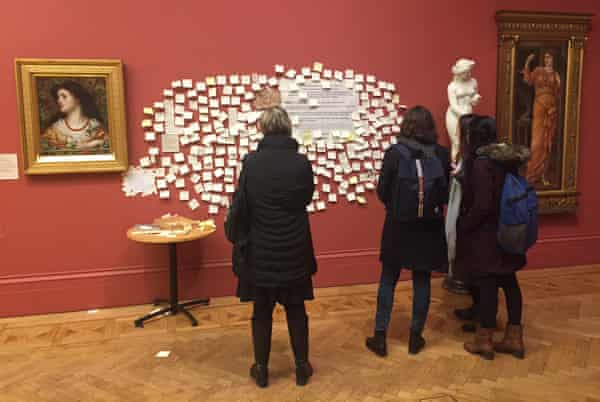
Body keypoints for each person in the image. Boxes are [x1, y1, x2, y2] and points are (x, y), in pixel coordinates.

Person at [231, 106, 317, 388]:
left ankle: (262, 369)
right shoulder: (301, 163)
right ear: (288, 127)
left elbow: (243, 204)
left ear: (263, 129)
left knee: (262, 311)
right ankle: (302, 366)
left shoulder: (252, 163)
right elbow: (306, 198)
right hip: (294, 247)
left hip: (261, 250)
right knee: (296, 309)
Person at [366, 105, 451, 356]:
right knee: (421, 280)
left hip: (398, 224)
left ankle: (380, 337)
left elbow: (382, 191)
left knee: (388, 279)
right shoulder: (441, 154)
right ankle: (415, 337)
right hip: (429, 226)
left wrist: (396, 207)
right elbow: (445, 194)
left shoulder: (394, 153)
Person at [454, 115, 530, 360]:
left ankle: (484, 340)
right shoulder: (509, 160)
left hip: (486, 235)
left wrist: (464, 224)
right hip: (510, 230)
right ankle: (514, 338)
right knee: (509, 282)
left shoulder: (481, 164)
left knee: (487, 285)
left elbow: (483, 204)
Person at [522, 51, 561, 186]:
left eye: (550, 57)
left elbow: (558, 95)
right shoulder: (538, 71)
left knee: (547, 143)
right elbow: (527, 80)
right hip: (539, 106)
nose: (547, 59)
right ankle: (532, 173)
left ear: (554, 60)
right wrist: (527, 62)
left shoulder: (556, 75)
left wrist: (554, 108)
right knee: (537, 142)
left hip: (551, 111)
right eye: (545, 57)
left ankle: (543, 174)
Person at [41, 80, 109, 153]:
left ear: (77, 99)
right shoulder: (54, 129)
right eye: (58, 98)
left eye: (64, 96)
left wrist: (92, 144)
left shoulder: (95, 126)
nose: (59, 100)